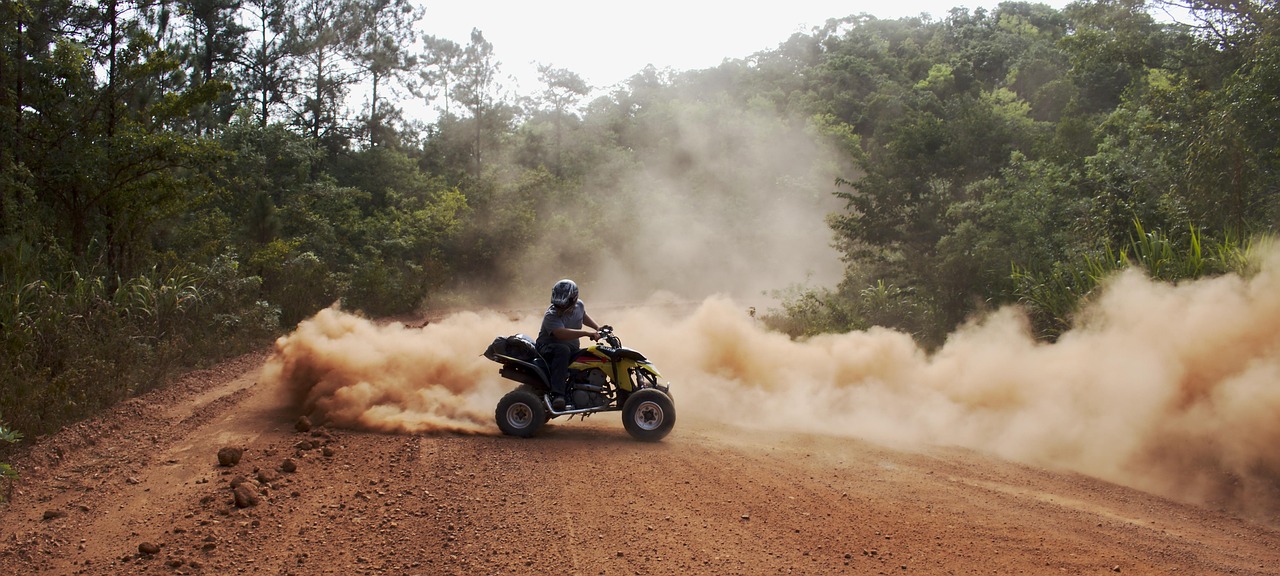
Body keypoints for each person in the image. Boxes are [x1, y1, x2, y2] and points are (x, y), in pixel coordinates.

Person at [535, 279, 601, 410]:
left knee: (593, 353)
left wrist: (598, 328)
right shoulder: (551, 315)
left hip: (571, 348)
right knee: (563, 350)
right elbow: (561, 334)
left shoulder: (579, 305)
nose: (560, 308)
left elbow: (583, 316)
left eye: (563, 305)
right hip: (547, 348)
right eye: (558, 305)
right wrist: (587, 333)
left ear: (574, 299)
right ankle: (558, 395)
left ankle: (581, 389)